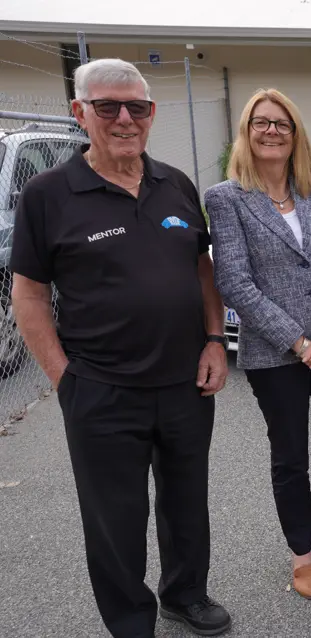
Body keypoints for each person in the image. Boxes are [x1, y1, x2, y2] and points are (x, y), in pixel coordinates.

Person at [10, 59, 231, 637]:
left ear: (152, 113)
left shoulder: (175, 183)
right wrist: (66, 380)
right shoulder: (47, 195)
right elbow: (28, 297)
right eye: (107, 107)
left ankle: (184, 594)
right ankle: (131, 623)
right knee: (116, 520)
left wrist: (214, 341)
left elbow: (203, 270)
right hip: (102, 391)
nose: (125, 118)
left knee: (187, 505)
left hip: (186, 383)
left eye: (137, 106)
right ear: (79, 113)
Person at [204, 88, 311, 600]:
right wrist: (301, 343)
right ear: (247, 131)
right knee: (290, 457)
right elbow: (233, 281)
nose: (272, 130)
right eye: (261, 122)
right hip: (276, 355)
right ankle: (302, 555)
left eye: (282, 123)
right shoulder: (226, 198)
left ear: (296, 133)